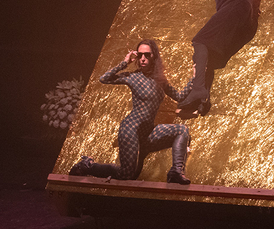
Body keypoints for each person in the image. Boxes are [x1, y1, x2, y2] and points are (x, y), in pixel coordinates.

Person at [70, 39, 192, 185]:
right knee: (126, 174)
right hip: (131, 129)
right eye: (140, 55)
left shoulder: (160, 80)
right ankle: (87, 165)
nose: (143, 59)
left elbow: (179, 96)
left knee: (182, 130)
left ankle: (176, 172)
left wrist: (195, 78)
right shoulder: (133, 77)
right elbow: (104, 79)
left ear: (154, 56)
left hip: (147, 133)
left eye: (147, 55)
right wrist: (125, 62)